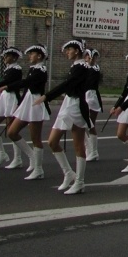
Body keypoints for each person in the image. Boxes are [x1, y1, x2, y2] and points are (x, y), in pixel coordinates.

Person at [33, 40, 91, 195]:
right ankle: (68, 173)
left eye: (69, 50)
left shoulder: (82, 67)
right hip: (68, 103)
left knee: (78, 145)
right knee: (52, 142)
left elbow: (68, 84)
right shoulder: (75, 66)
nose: (67, 52)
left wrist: (47, 96)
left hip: (76, 106)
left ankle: (80, 182)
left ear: (77, 51)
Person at [3, 45, 49, 180]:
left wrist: (6, 86)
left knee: (36, 138)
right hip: (27, 102)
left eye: (32, 54)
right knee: (11, 132)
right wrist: (19, 104)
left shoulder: (41, 70)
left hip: (36, 103)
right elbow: (27, 89)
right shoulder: (33, 68)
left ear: (39, 56)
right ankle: (31, 156)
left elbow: (26, 83)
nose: (29, 56)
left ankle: (39, 169)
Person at [84, 49, 103, 162]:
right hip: (83, 95)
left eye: (93, 57)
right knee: (81, 124)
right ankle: (89, 148)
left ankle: (94, 151)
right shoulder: (83, 67)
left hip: (91, 96)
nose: (91, 59)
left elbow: (89, 83)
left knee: (90, 124)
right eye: (88, 56)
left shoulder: (95, 69)